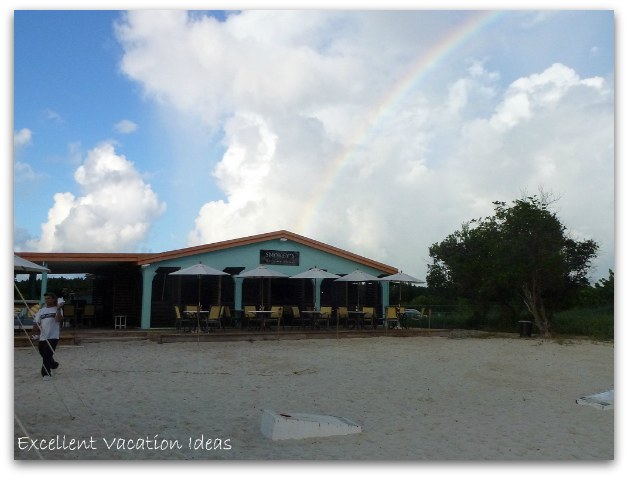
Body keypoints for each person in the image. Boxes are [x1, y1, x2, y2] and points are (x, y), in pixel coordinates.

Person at [32, 292, 63, 381]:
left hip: (53, 336)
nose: (47, 300)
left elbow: (58, 320)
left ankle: (46, 373)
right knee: (43, 353)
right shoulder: (42, 310)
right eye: (46, 299)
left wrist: (58, 309)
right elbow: (36, 323)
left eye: (49, 298)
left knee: (47, 355)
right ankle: (53, 364)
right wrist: (35, 334)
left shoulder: (58, 309)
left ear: (53, 299)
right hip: (43, 337)